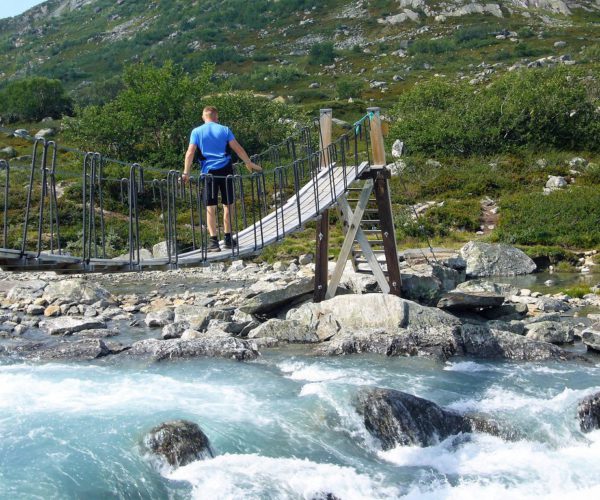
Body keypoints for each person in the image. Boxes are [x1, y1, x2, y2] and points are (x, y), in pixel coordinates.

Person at [183, 106, 261, 252]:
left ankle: (213, 242)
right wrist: (248, 163)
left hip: (208, 173)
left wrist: (186, 172)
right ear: (216, 117)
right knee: (228, 204)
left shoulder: (196, 131)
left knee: (210, 207)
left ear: (203, 117)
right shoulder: (224, 129)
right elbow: (237, 148)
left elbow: (190, 152)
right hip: (226, 170)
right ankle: (228, 238)